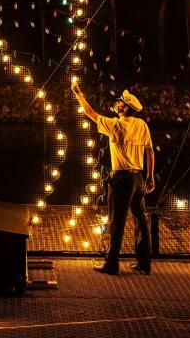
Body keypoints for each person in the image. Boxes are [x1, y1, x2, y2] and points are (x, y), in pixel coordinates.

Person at [71, 80, 154, 275]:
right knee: (140, 219)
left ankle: (111, 263)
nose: (118, 103)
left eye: (121, 102)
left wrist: (78, 93)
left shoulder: (115, 124)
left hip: (122, 179)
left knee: (116, 221)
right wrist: (150, 177)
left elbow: (90, 113)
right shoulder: (142, 125)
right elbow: (150, 152)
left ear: (126, 108)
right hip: (139, 178)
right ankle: (144, 262)